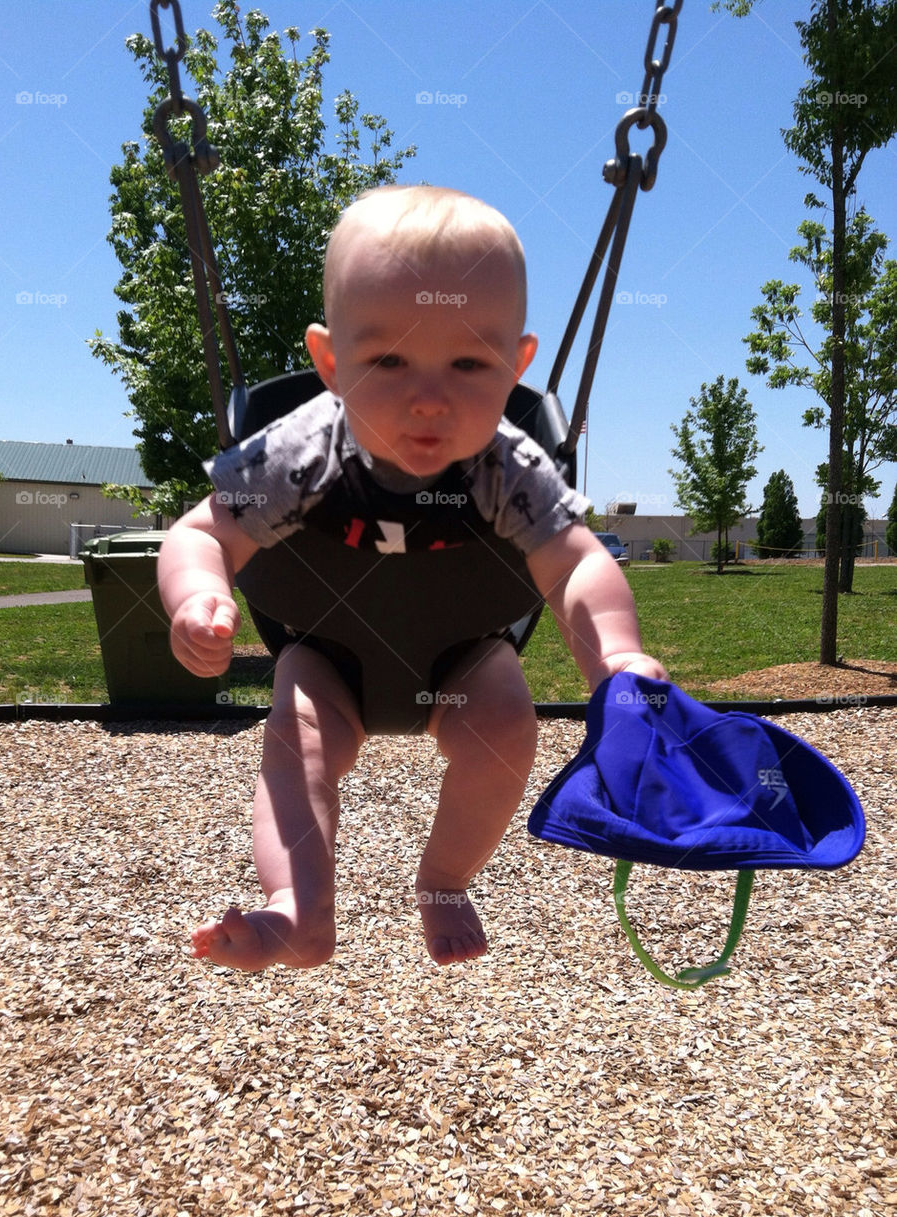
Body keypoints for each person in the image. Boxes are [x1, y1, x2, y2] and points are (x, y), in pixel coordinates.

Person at [157, 185, 666, 974]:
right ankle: (297, 909)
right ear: (330, 362)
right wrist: (198, 593)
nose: (428, 398)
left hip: (462, 653)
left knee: (504, 731)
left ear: (516, 365)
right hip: (325, 653)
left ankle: (442, 880)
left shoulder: (510, 462)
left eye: (468, 362)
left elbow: (576, 561)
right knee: (297, 749)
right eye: (387, 360)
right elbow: (201, 532)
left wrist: (617, 659)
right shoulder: (301, 450)